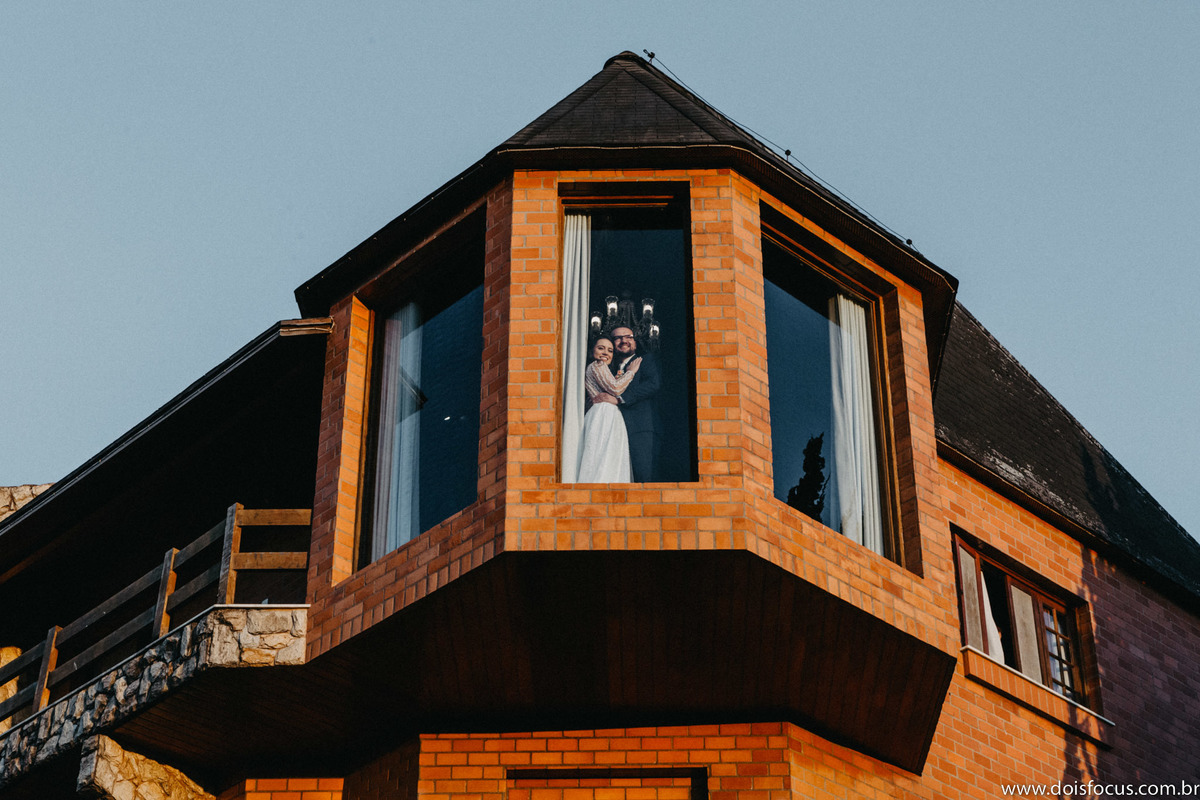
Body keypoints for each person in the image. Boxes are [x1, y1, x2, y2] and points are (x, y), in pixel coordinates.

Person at [592, 326, 660, 482]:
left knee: (642, 476)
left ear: (635, 341)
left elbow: (653, 384)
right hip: (614, 431)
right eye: (617, 338)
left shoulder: (645, 360)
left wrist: (619, 399)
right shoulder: (606, 367)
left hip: (639, 429)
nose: (623, 341)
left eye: (628, 337)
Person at [577, 337, 641, 482]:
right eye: (601, 348)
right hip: (604, 413)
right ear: (592, 350)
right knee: (605, 455)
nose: (605, 353)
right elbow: (615, 388)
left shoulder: (596, 368)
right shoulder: (597, 365)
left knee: (602, 455)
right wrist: (631, 372)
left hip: (603, 412)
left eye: (610, 350)